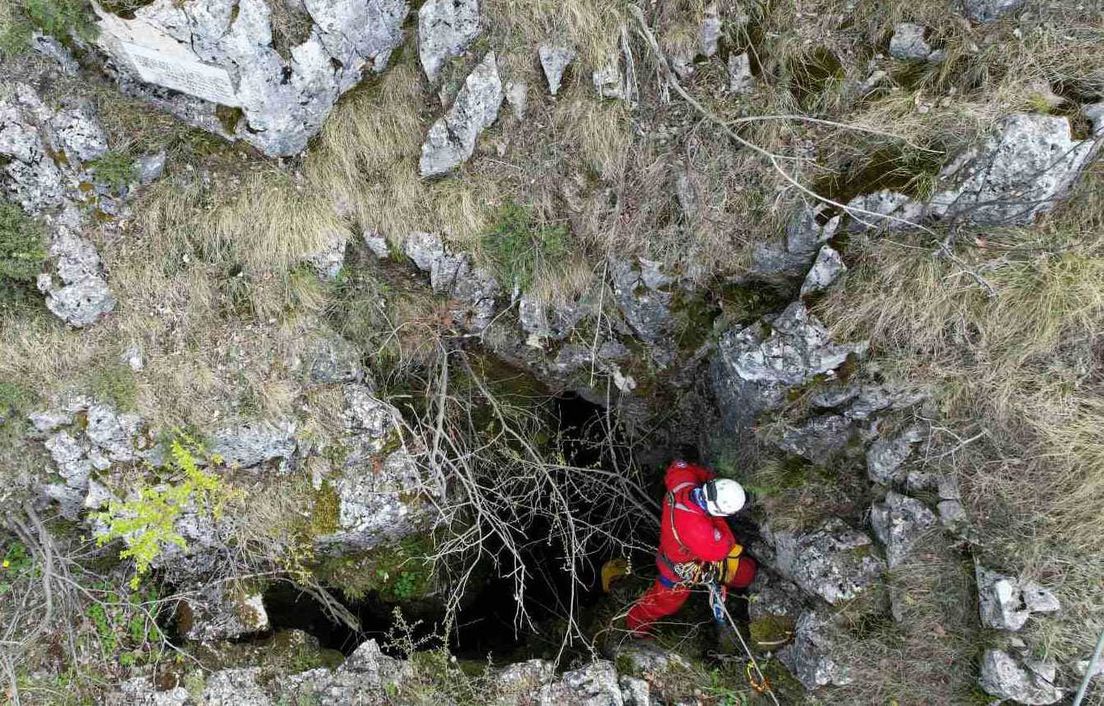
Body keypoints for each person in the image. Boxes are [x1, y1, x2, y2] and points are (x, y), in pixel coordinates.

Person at [626, 459, 757, 636]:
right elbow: (724, 547)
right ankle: (635, 627)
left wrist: (711, 479)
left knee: (746, 572)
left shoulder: (683, 484)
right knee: (664, 603)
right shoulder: (697, 530)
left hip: (678, 548)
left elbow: (678, 466)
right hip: (679, 568)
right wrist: (717, 518)